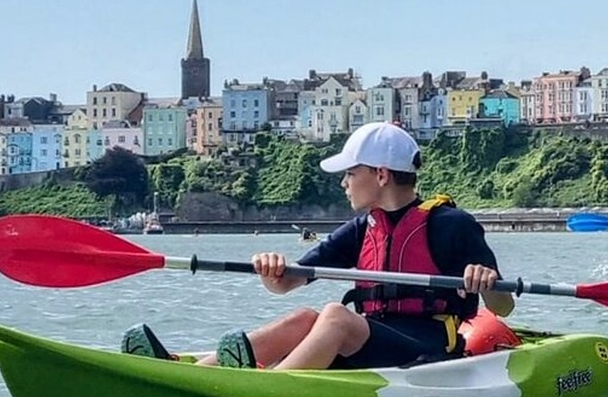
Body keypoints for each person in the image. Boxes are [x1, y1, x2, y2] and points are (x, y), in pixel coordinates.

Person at [122, 122, 514, 370]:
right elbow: (284, 284)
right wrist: (272, 268)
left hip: (429, 347)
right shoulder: (362, 228)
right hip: (374, 339)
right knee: (304, 318)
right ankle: (190, 373)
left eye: (350, 173)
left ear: (380, 175)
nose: (344, 183)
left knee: (335, 316)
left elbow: (503, 306)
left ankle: (268, 387)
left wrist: (486, 282)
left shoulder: (451, 224)